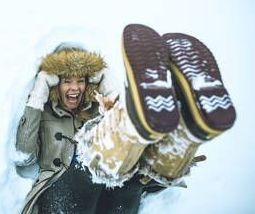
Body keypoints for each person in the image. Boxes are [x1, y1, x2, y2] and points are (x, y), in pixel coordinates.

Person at [15, 24, 236, 214]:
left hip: (108, 198)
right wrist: (39, 91)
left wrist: (107, 84)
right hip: (62, 199)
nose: (75, 88)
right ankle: (145, 141)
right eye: (66, 81)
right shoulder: (45, 113)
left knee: (133, 178)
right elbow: (24, 155)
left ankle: (171, 145)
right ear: (55, 84)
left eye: (81, 80)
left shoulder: (98, 110)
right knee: (91, 167)